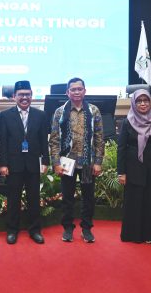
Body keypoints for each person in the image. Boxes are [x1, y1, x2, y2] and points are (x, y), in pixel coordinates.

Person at [49, 77, 104, 243]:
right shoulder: (60, 112)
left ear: (85, 91)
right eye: (73, 89)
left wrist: (98, 162)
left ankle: (86, 229)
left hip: (87, 162)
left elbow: (99, 138)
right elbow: (55, 139)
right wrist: (56, 163)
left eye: (80, 89)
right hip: (67, 162)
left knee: (88, 197)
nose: (77, 92)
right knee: (67, 197)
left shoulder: (94, 111)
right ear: (67, 92)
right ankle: (67, 228)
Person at [117, 89, 151, 244]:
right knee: (135, 202)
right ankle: (134, 235)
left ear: (150, 102)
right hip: (134, 169)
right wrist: (121, 172)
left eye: (146, 100)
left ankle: (150, 234)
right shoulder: (128, 122)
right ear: (134, 103)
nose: (143, 104)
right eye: (139, 101)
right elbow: (121, 148)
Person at [0, 80, 49, 244]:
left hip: (33, 163)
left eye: (28, 94)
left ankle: (35, 230)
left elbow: (43, 140)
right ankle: (12, 230)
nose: (25, 97)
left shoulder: (40, 115)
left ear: (32, 96)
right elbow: (3, 142)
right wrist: (3, 164)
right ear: (14, 96)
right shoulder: (5, 116)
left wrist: (45, 161)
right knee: (14, 199)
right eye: (21, 95)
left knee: (34, 198)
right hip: (14, 164)